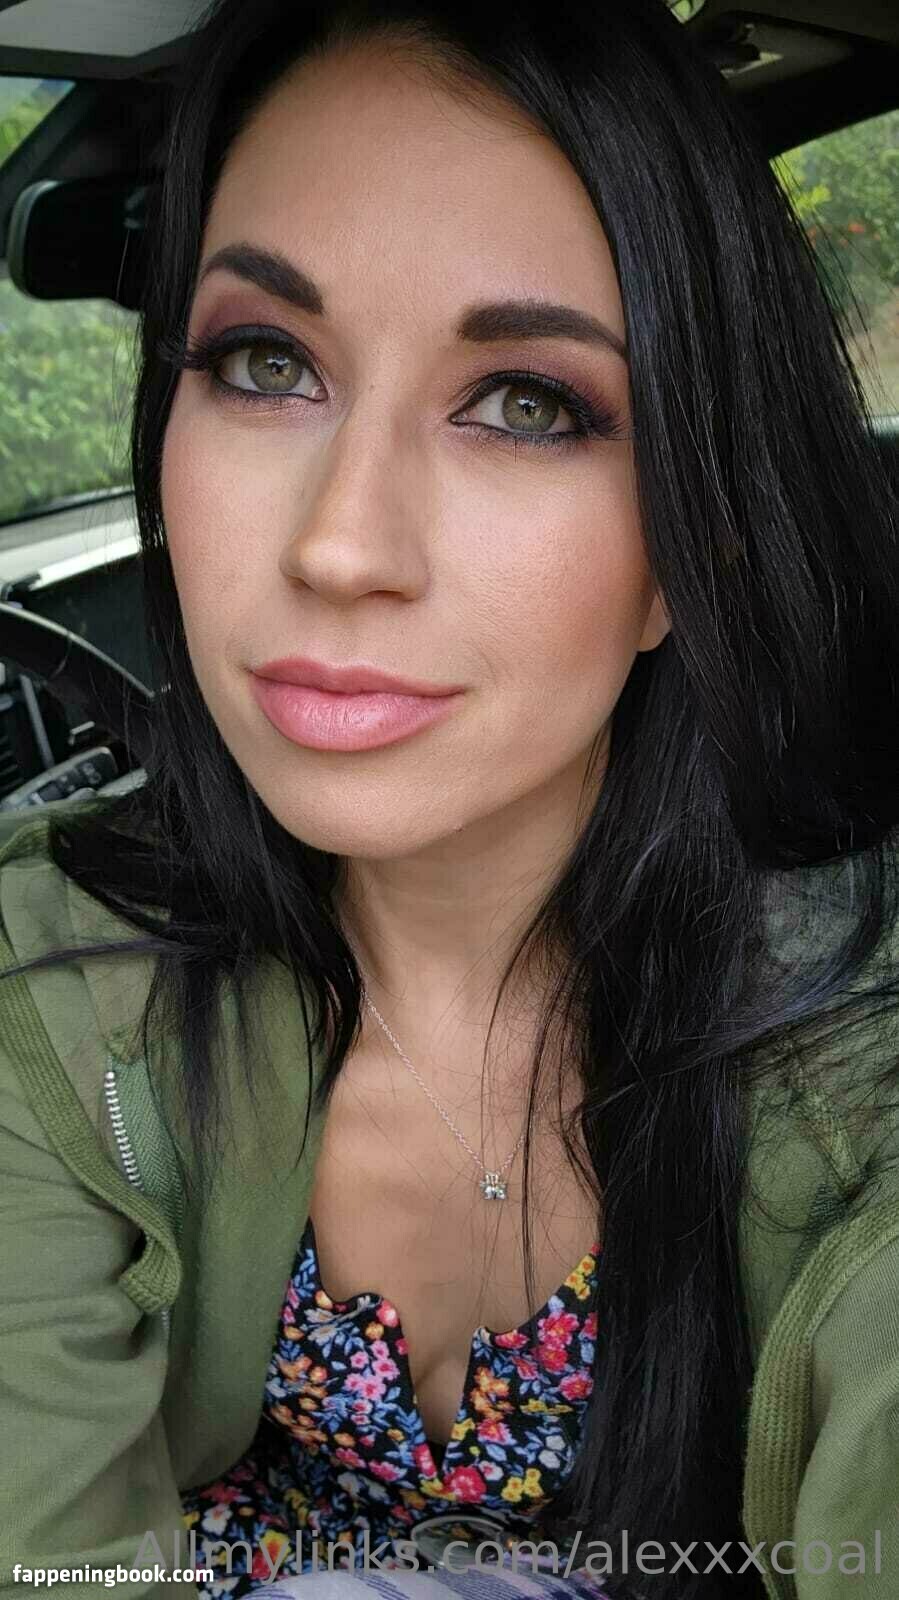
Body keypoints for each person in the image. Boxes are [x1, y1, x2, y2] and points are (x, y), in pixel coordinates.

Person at [1, 0, 898, 1597]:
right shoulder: (53, 986)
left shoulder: (859, 1063)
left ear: (691, 552)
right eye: (265, 363)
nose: (340, 545)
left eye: (527, 403)